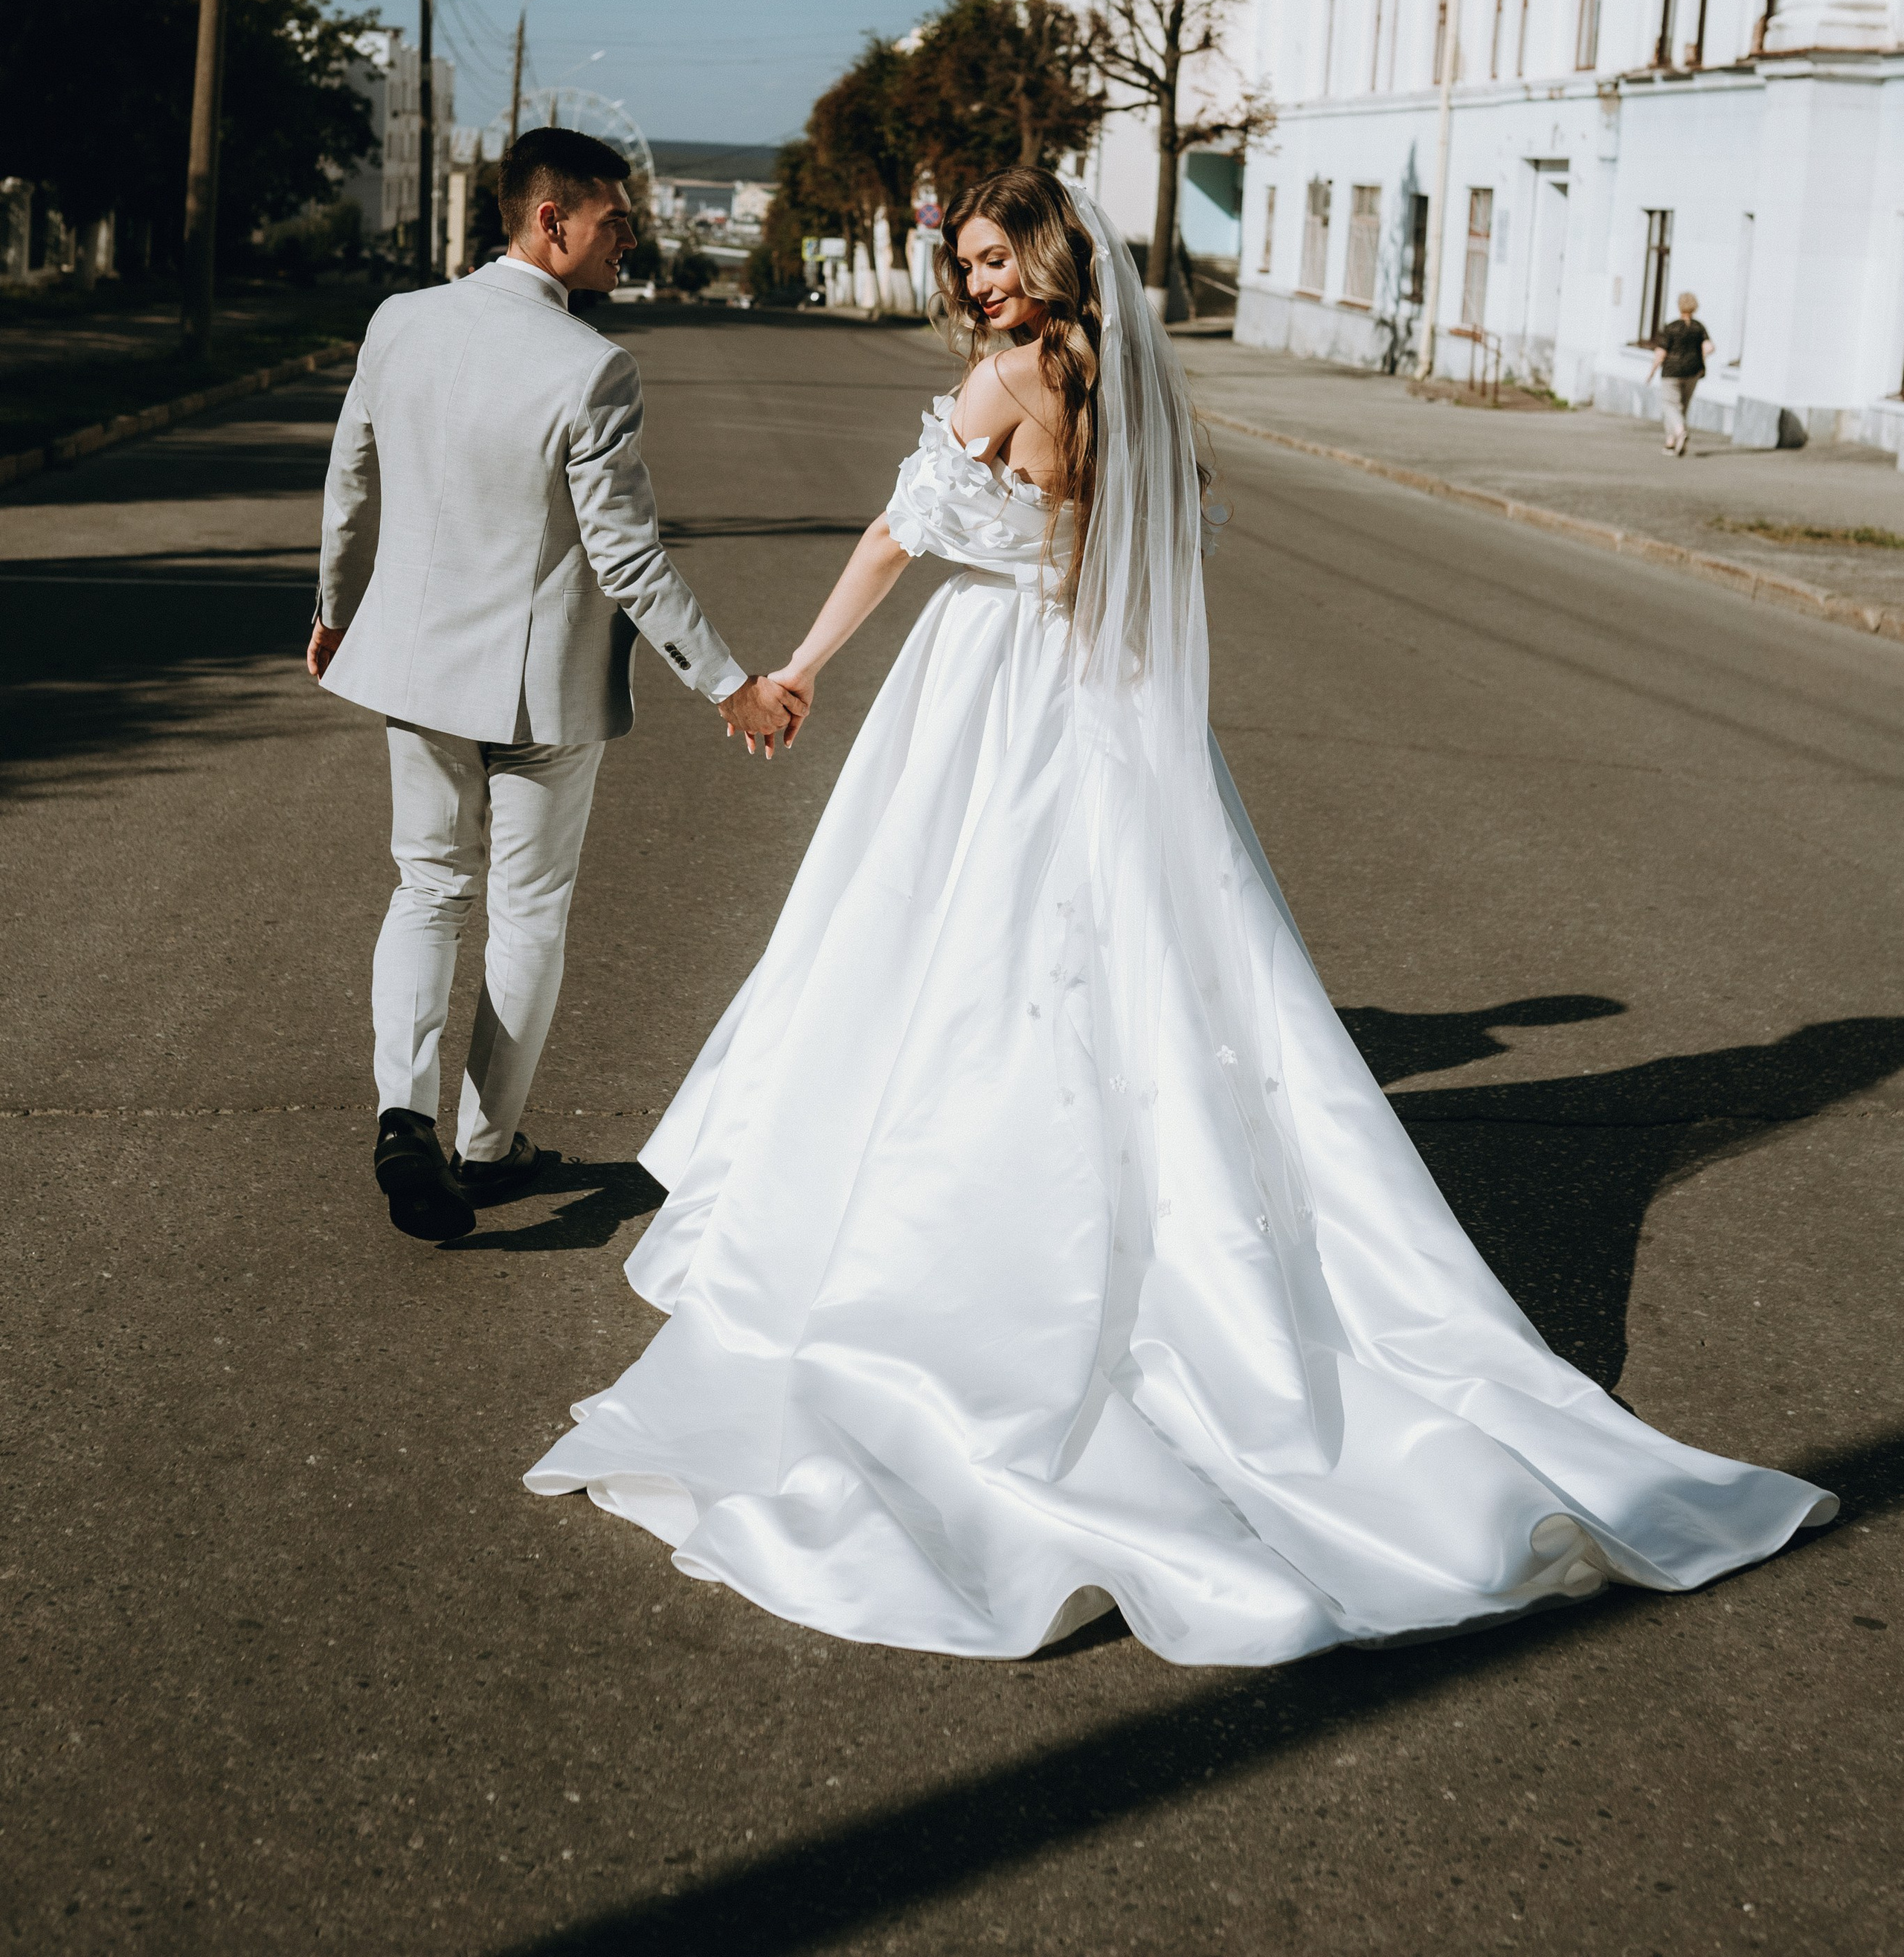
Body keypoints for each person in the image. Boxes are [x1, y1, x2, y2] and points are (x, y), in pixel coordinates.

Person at [524, 168, 1831, 1666]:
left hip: (993, 695)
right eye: (962, 264)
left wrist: (801, 669)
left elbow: (895, 538)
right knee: (1135, 963)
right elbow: (1178, 535)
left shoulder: (1006, 381)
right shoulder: (1139, 389)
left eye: (992, 257)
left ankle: (960, 1236)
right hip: (1108, 694)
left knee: (959, 956)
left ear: (1044, 257)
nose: (976, 283)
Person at [311, 128, 803, 1246]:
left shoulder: (402, 323)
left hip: (419, 669)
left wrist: (339, 611)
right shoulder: (592, 368)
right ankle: (486, 1152)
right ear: (553, 221)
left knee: (427, 888)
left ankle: (403, 1118)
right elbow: (626, 560)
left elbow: (352, 476)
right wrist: (728, 684)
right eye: (616, 223)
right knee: (526, 911)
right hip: (541, 694)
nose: (630, 241)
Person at [1649, 291, 1715, 457]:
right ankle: (1671, 442)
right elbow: (1709, 347)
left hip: (1671, 371)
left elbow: (1661, 353)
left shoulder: (1671, 327)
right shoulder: (1698, 327)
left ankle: (1679, 432)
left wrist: (1651, 372)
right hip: (1693, 371)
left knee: (1670, 405)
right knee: (1682, 406)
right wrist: (1702, 358)